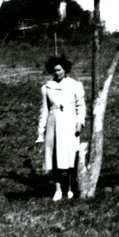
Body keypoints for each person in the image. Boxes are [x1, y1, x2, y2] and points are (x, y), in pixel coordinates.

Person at [35, 55, 85, 201]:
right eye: (54, 70)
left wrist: (79, 122)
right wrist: (41, 130)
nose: (57, 73)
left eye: (60, 70)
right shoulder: (47, 88)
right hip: (53, 124)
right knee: (55, 157)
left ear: (65, 70)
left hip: (70, 122)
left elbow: (81, 106)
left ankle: (69, 187)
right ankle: (57, 189)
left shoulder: (75, 85)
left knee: (70, 156)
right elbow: (44, 110)